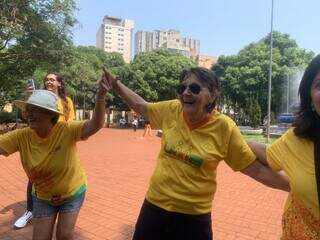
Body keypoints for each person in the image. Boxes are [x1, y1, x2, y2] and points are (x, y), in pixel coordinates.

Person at [103, 67, 290, 240]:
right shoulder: (171, 110)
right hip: (154, 208)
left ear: (213, 94)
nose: (186, 93)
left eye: (194, 88)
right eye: (182, 87)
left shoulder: (224, 127)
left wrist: (299, 187)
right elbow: (141, 106)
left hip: (193, 219)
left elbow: (256, 170)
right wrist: (116, 85)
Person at [0, 74, 110, 239]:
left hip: (72, 192)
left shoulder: (66, 130)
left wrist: (100, 97)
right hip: (43, 197)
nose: (29, 114)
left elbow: (95, 124)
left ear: (50, 115)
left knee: (64, 236)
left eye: (35, 110)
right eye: (28, 110)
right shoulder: (21, 136)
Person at [248, 55, 320, 240]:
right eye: (319, 85)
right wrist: (229, 137)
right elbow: (268, 155)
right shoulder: (297, 138)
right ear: (310, 98)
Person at [14, 72, 76, 228]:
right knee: (35, 176)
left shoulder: (66, 101)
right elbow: (26, 115)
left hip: (60, 143)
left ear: (59, 84)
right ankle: (30, 211)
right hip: (39, 141)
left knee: (62, 174)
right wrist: (29, 97)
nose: (48, 81)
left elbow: (71, 122)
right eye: (47, 79)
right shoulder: (36, 96)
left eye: (52, 80)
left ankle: (62, 207)